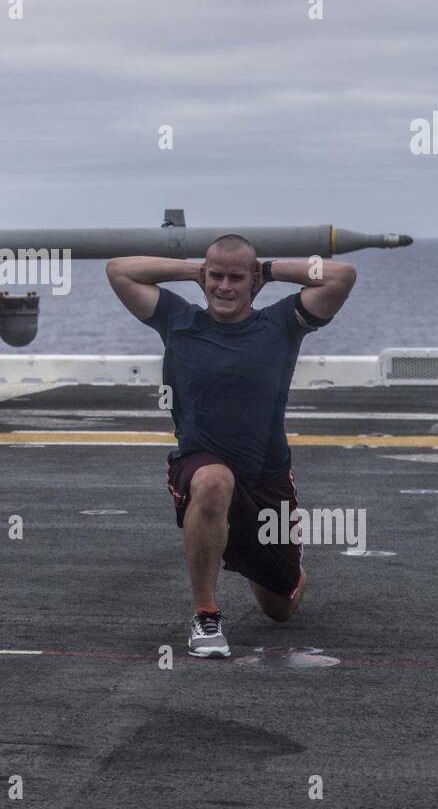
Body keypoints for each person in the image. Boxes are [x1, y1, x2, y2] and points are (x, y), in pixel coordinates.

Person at [106, 235, 357, 658]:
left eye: (235, 278)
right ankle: (205, 615)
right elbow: (119, 269)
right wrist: (193, 271)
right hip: (199, 464)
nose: (224, 287)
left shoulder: (281, 324)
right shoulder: (177, 319)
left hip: (267, 481)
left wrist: (270, 270)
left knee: (280, 608)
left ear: (252, 282)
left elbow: (340, 276)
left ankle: (287, 572)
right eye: (216, 277)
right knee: (213, 480)